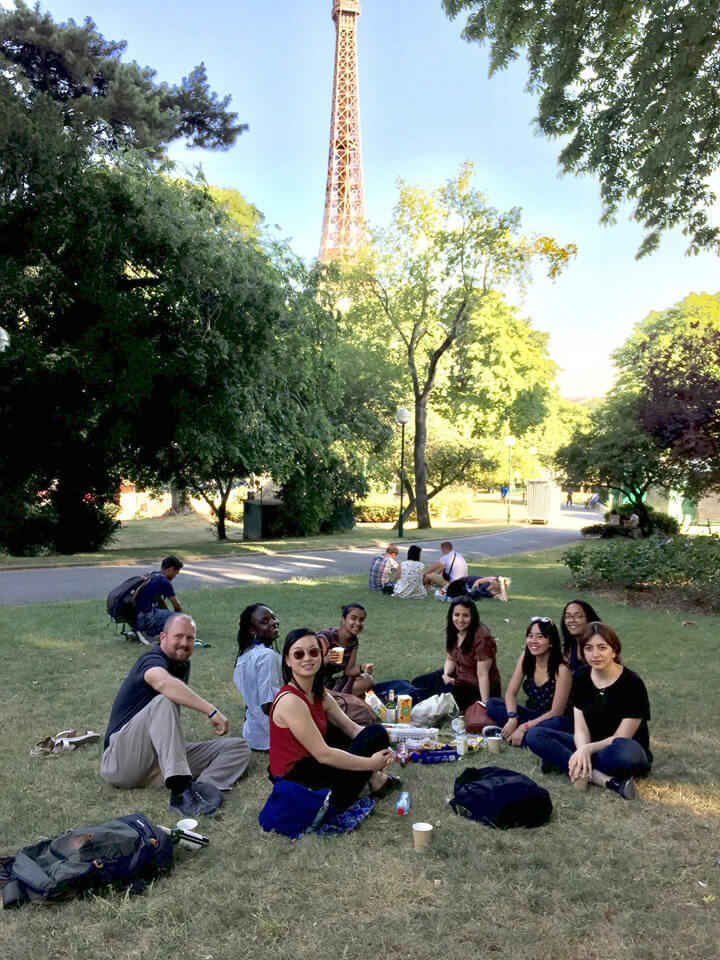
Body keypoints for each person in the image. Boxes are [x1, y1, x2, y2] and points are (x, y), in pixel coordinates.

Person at [100, 613, 250, 816]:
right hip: (121, 762)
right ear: (163, 637)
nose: (184, 643)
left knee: (238, 748)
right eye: (178, 636)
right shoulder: (151, 659)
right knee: (165, 699)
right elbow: (163, 683)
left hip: (156, 764)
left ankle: (201, 790)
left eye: (190, 638)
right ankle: (180, 793)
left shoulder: (181, 665)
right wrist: (211, 710)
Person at [268, 628, 400, 811]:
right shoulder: (290, 701)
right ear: (288, 661)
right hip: (298, 784)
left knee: (370, 733)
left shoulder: (319, 694)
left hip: (312, 765)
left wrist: (390, 741)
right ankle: (359, 787)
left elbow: (353, 729)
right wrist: (371, 763)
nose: (307, 658)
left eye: (313, 652)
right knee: (373, 734)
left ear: (321, 656)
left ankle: (374, 779)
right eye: (298, 654)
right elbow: (324, 754)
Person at [525, 622, 652, 799]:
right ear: (583, 652)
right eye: (589, 648)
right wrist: (583, 748)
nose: (595, 654)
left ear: (614, 651)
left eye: (602, 648)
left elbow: (621, 736)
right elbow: (580, 728)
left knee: (624, 752)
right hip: (589, 744)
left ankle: (561, 760)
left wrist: (587, 750)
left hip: (619, 749)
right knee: (534, 735)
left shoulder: (632, 683)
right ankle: (607, 781)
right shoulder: (581, 677)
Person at [485, 617, 572, 744]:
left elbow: (556, 712)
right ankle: (521, 733)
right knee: (493, 704)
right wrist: (512, 718)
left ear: (551, 642)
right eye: (530, 636)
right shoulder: (526, 657)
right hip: (532, 715)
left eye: (540, 637)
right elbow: (510, 693)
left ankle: (522, 735)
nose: (533, 641)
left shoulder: (562, 668)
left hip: (554, 720)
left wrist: (524, 727)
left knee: (555, 723)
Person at [412, 596, 501, 710]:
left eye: (465, 615)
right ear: (451, 615)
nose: (460, 620)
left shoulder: (483, 638)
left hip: (476, 687)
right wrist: (446, 675)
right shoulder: (453, 630)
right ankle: (397, 697)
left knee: (435, 696)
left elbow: (483, 674)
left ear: (473, 617)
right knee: (419, 682)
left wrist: (485, 705)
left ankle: (407, 704)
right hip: (458, 676)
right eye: (457, 615)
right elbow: (450, 658)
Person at [233, 603, 282, 751]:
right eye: (265, 621)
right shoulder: (265, 656)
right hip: (271, 737)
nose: (274, 622)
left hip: (253, 735)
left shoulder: (246, 654)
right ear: (253, 630)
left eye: (273, 617)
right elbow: (268, 705)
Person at [318, 603, 375, 696]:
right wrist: (326, 660)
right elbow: (307, 666)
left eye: (361, 620)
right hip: (312, 683)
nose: (358, 623)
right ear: (343, 619)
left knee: (367, 680)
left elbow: (349, 671)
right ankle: (333, 697)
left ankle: (334, 696)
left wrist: (362, 668)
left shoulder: (353, 642)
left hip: (328, 682)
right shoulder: (326, 637)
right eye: (353, 618)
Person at [132, 555, 184, 642]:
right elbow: (176, 605)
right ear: (171, 569)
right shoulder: (164, 582)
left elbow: (160, 601)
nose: (175, 576)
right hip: (146, 616)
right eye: (176, 573)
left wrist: (168, 614)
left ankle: (134, 631)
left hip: (136, 617)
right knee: (183, 620)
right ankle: (146, 632)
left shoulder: (152, 575)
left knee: (170, 618)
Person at [560, 599, 601, 676]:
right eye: (568, 616)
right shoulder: (571, 645)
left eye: (578, 616)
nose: (572, 620)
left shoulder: (597, 645)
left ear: (589, 619)